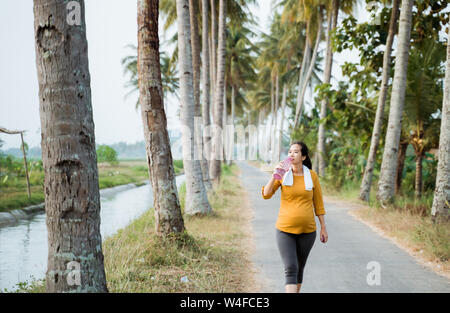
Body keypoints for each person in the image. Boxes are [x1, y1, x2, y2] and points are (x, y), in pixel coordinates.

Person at [262, 141, 328, 293]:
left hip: (308, 231)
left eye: (296, 152)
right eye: (290, 151)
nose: (291, 154)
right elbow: (266, 194)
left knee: (299, 268)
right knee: (291, 267)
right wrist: (275, 175)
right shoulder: (283, 174)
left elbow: (318, 204)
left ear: (303, 157)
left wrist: (323, 227)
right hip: (285, 230)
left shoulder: (312, 176)